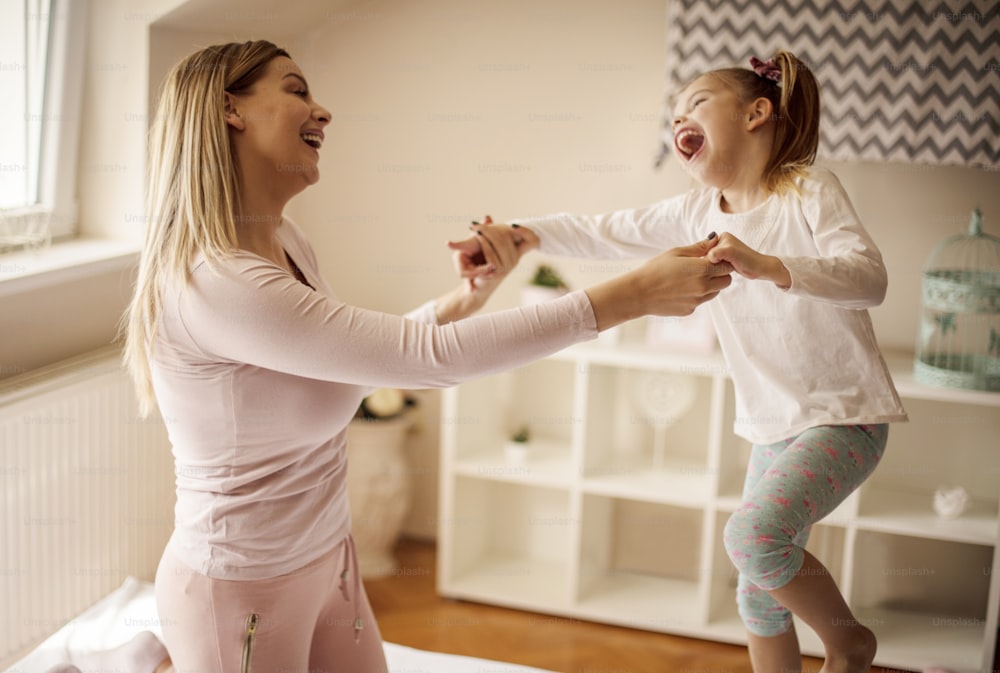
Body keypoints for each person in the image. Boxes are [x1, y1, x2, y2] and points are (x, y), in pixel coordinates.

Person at [46, 40, 732, 673]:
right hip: (240, 586)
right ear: (230, 110)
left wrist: (464, 297)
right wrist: (630, 294)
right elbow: (418, 358)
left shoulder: (286, 242)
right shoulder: (215, 280)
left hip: (330, 560)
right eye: (295, 89)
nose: (324, 110)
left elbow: (357, 356)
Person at [452, 50, 907, 673]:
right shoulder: (697, 210)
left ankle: (850, 642)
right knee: (755, 587)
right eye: (673, 115)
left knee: (752, 539)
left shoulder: (807, 188)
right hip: (772, 427)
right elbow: (604, 230)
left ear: (757, 112)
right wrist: (519, 232)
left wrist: (770, 266)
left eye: (695, 103)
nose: (678, 120)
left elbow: (870, 279)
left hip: (845, 416)